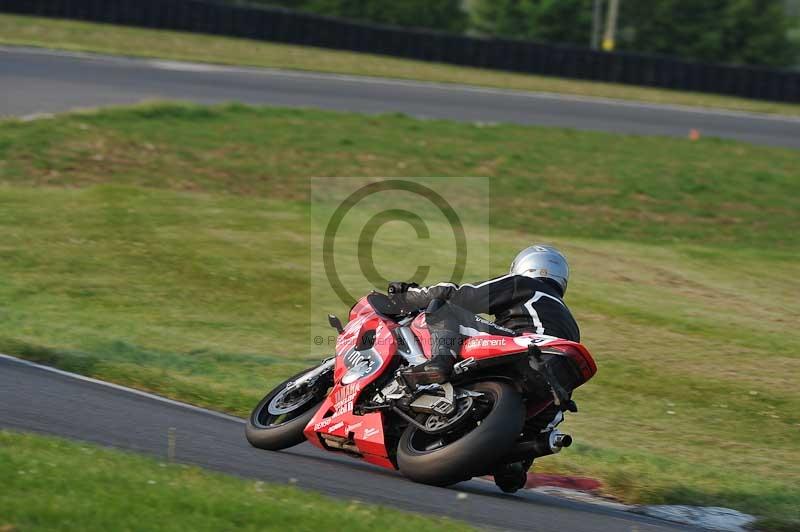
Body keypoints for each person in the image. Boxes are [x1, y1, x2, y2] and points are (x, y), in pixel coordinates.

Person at [387, 245, 580, 385]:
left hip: (526, 349)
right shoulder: (570, 321)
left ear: (523, 266)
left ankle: (439, 362)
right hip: (554, 383)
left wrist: (408, 295)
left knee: (443, 307)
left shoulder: (524, 284)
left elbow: (459, 296)